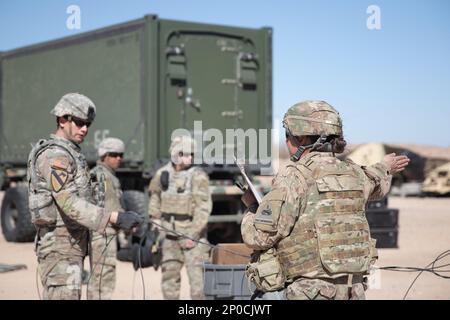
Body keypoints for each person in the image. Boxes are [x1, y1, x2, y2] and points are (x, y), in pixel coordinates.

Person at [241, 100, 410, 300]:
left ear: (302, 138)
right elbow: (375, 182)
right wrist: (385, 166)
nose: (286, 142)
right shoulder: (354, 173)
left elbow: (259, 238)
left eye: (288, 136)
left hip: (307, 292)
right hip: (353, 291)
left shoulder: (294, 176)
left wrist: (252, 206)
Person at [27, 93, 143, 300]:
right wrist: (114, 217)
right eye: (79, 122)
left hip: (71, 247)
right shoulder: (55, 156)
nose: (85, 129)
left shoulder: (71, 153)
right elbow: (68, 202)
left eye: (87, 124)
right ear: (63, 120)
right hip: (59, 251)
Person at [148, 135, 212, 299]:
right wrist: (155, 219)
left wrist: (193, 233)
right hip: (169, 236)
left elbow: (203, 208)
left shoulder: (198, 176)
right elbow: (155, 196)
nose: (189, 158)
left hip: (192, 237)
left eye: (192, 154)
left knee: (198, 284)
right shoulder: (162, 174)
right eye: (184, 154)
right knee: (169, 282)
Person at [87, 137, 125, 300]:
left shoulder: (105, 174)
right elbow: (112, 210)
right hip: (103, 234)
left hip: (103, 233)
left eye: (121, 155)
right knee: (103, 279)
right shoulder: (103, 176)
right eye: (114, 154)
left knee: (99, 278)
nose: (119, 158)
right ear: (104, 155)